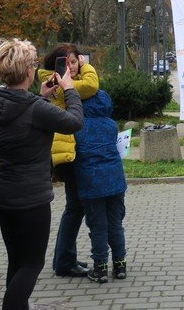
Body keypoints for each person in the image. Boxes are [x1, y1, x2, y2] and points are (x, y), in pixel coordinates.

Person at [0, 38, 83, 310]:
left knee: (17, 261)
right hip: (30, 198)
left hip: (3, 193)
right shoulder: (35, 108)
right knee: (31, 265)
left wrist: (41, 95)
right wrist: (69, 89)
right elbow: (74, 122)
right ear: (28, 70)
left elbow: (21, 115)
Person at [38, 44, 98, 278]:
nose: (71, 67)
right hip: (65, 153)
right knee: (75, 207)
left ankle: (63, 258)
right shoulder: (59, 83)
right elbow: (91, 85)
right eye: (67, 63)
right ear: (56, 65)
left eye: (74, 62)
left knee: (74, 206)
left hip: (68, 150)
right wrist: (86, 65)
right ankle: (64, 261)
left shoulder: (54, 81)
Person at [74, 89, 127, 283]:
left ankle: (100, 268)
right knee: (116, 224)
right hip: (115, 181)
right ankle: (120, 265)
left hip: (92, 184)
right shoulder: (111, 125)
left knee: (98, 227)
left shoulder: (78, 126)